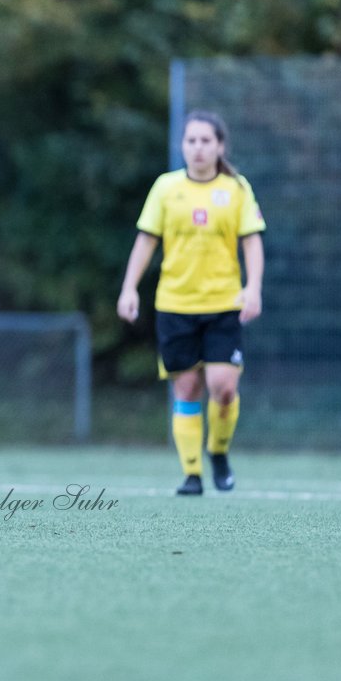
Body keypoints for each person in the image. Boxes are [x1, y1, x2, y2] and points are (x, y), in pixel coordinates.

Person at [117, 110, 265, 496]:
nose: (197, 148)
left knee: (224, 388)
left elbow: (252, 241)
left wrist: (253, 288)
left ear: (220, 146)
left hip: (223, 303)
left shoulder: (237, 189)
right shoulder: (166, 188)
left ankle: (218, 451)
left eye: (205, 141)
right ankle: (192, 474)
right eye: (191, 141)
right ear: (182, 145)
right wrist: (129, 287)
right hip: (175, 304)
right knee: (186, 390)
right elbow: (146, 240)